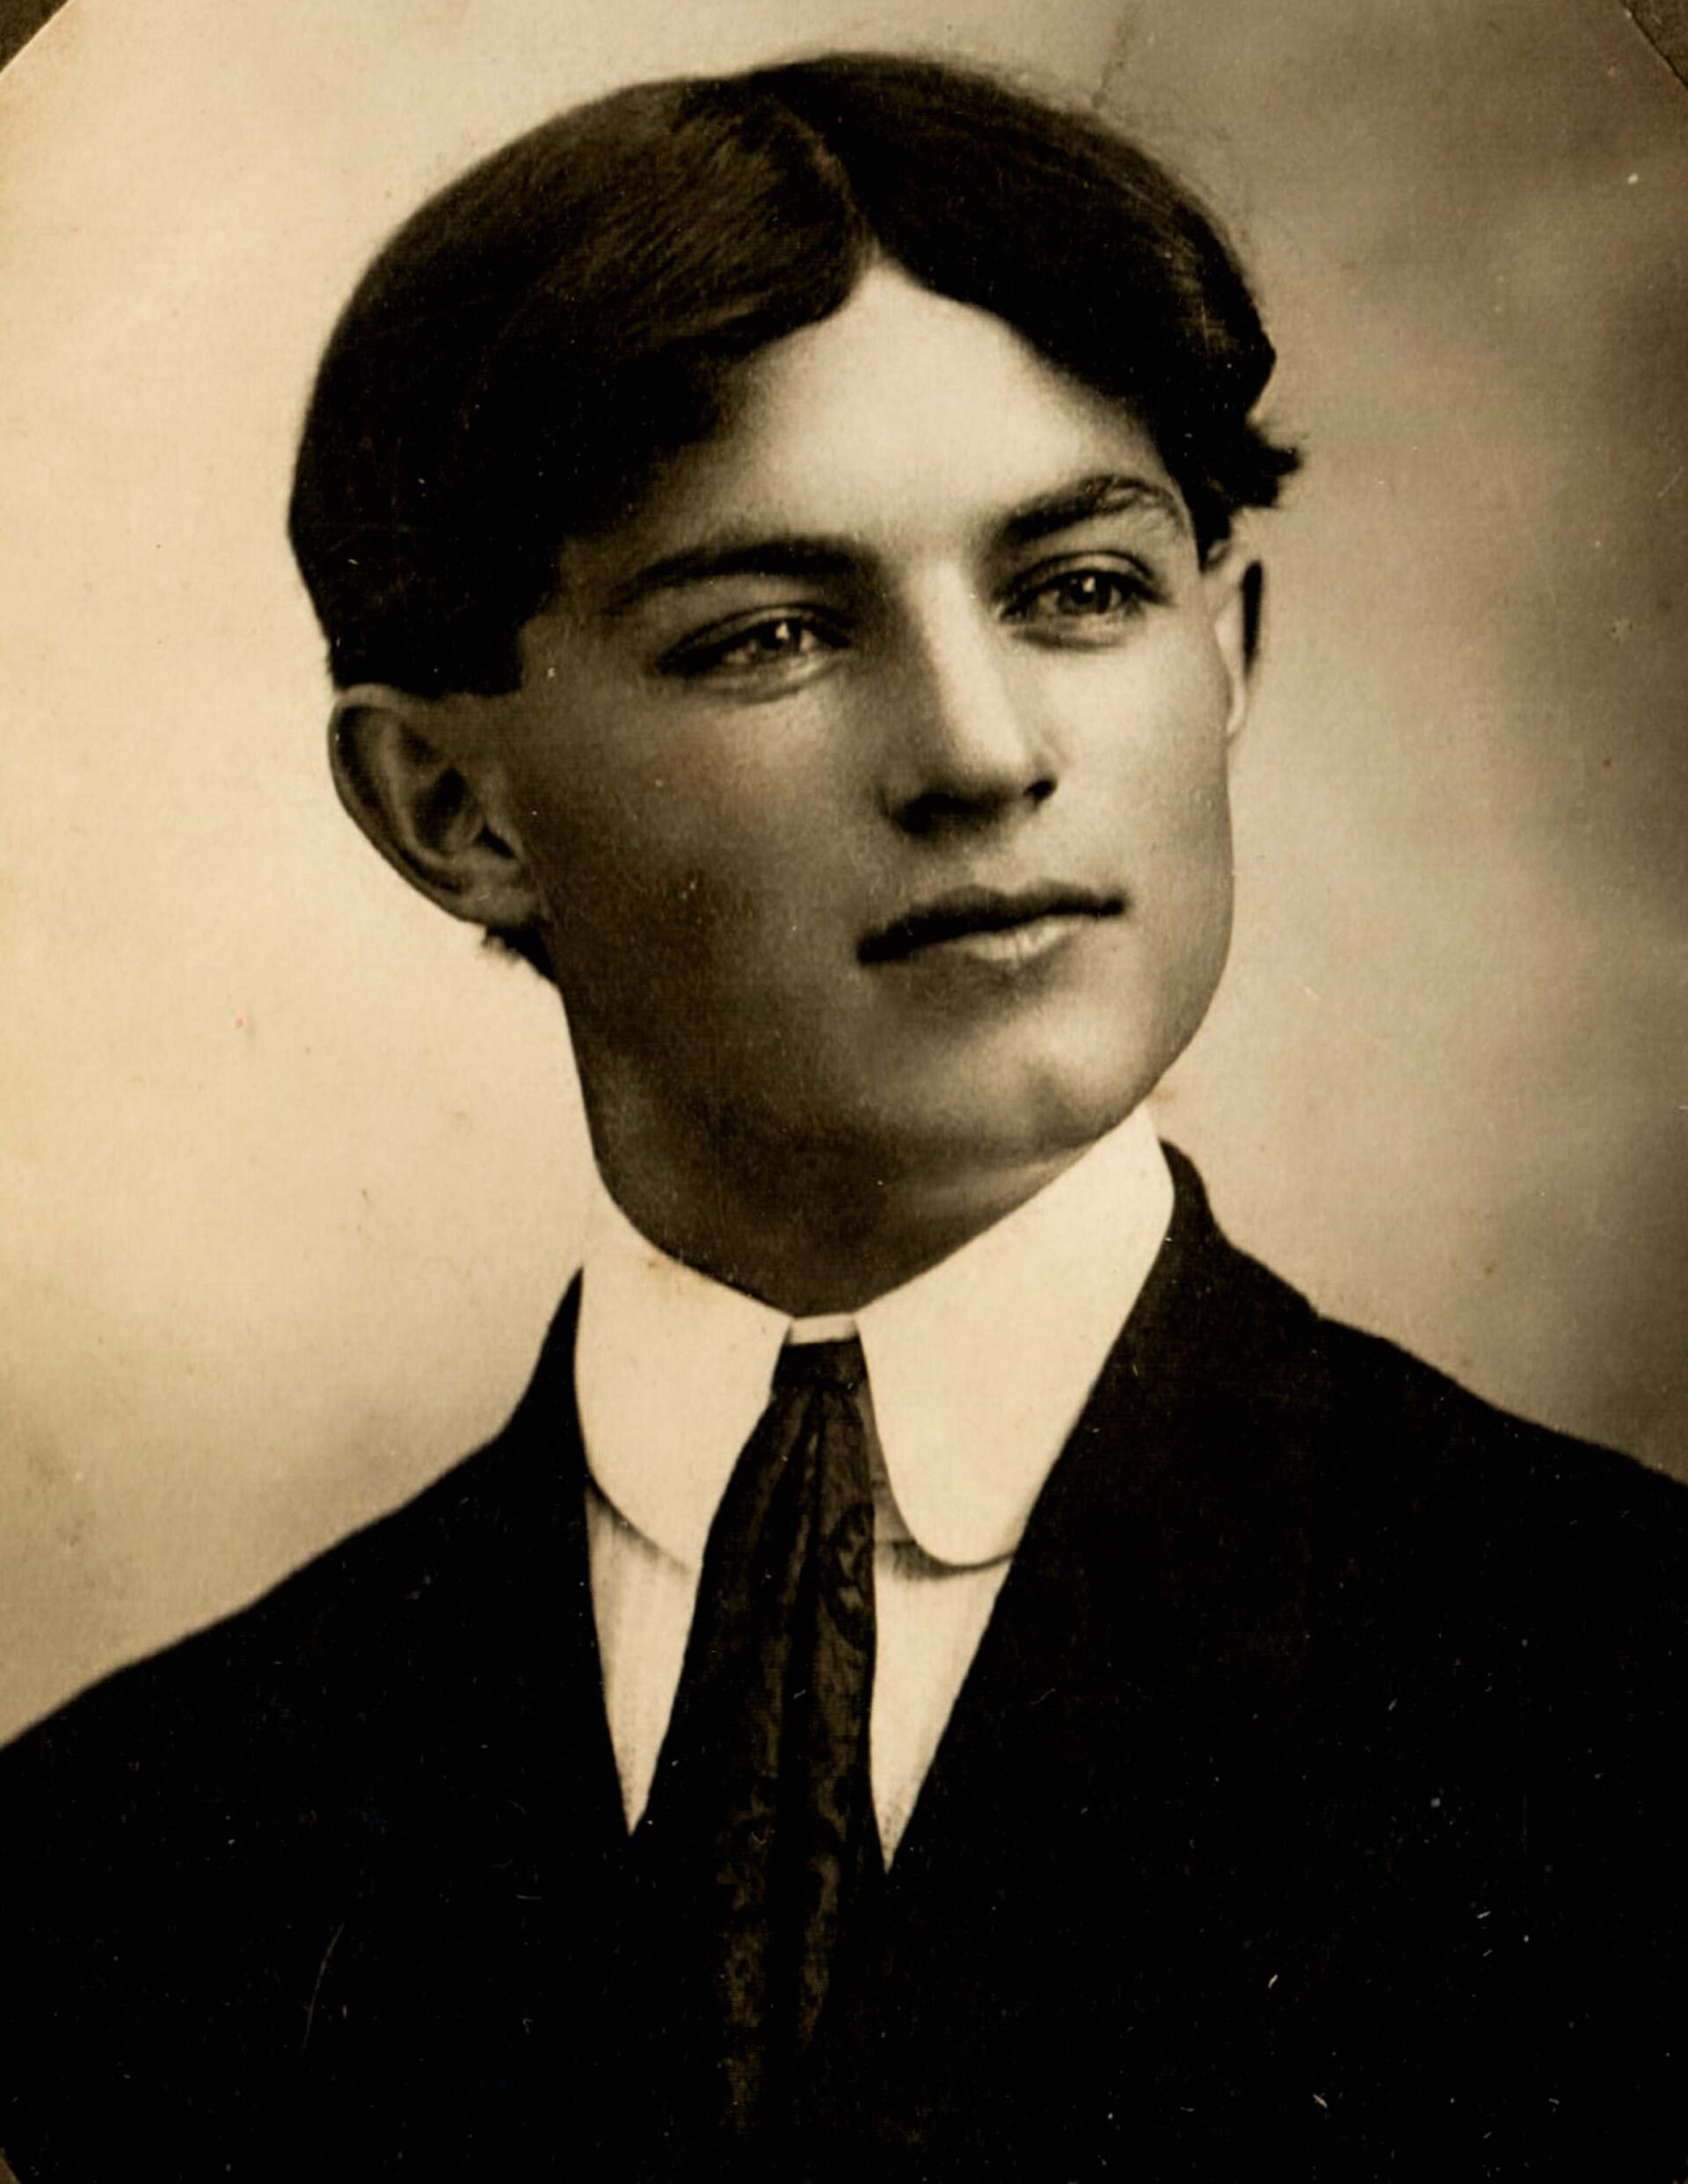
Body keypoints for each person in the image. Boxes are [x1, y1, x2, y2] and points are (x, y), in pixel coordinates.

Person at [1, 51, 1684, 2184]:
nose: (982, 755)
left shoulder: (1630, 1694)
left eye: (1079, 590)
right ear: (449, 806)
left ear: (1231, 652)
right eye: (775, 633)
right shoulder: (117, 1850)